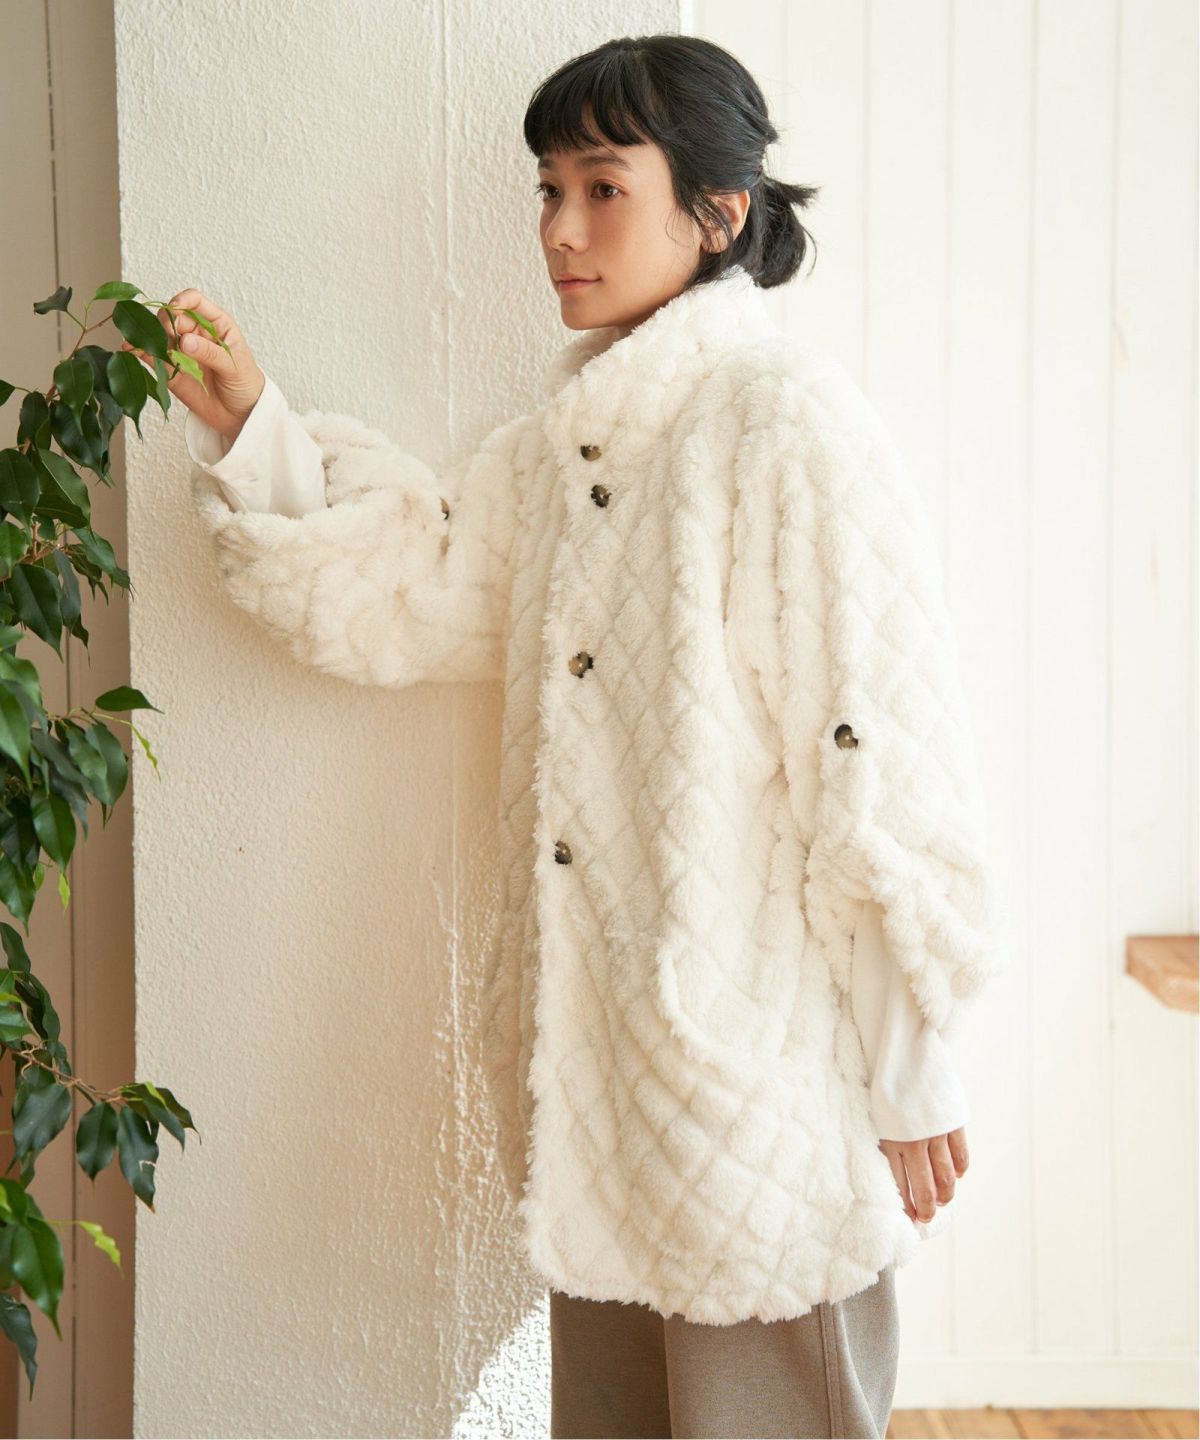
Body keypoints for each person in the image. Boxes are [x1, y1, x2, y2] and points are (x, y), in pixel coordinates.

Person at [130, 33, 1005, 1440]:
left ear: (716, 211)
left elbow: (875, 748)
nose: (559, 230)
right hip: (599, 1091)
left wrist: (910, 1065)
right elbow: (424, 590)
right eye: (549, 190)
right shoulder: (566, 449)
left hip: (764, 1090)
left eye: (603, 187)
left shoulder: (783, 422)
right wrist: (252, 427)